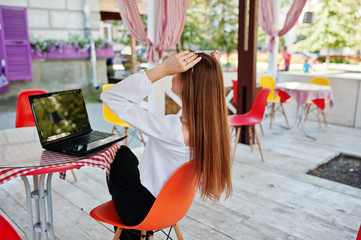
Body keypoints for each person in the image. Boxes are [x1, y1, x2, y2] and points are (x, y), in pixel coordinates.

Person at [101, 50, 232, 239]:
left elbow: (112, 97)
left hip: (143, 210)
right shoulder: (212, 130)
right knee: (125, 155)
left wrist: (163, 69)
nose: (174, 72)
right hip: (173, 206)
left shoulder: (172, 130)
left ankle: (130, 233)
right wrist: (212, 73)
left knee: (117, 153)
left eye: (179, 71)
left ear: (189, 84)